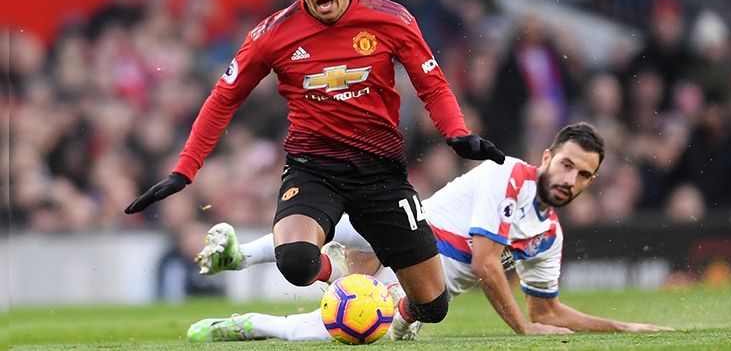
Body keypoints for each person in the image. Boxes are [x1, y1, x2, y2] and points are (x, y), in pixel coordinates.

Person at [124, 0, 505, 331]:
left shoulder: (392, 19)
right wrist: (185, 169)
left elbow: (433, 84)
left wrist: (455, 132)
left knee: (433, 307)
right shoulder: (272, 34)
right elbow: (223, 98)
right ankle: (337, 271)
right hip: (313, 168)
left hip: (381, 174)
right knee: (295, 261)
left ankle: (395, 314)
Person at [186, 123, 673, 342]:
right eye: (566, 165)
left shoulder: (549, 236)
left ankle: (249, 324)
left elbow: (545, 309)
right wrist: (522, 329)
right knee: (344, 230)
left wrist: (620, 326)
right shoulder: (509, 174)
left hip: (413, 287)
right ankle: (240, 256)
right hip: (407, 236)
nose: (570, 180)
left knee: (335, 326)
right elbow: (486, 263)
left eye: (583, 175)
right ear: (547, 158)